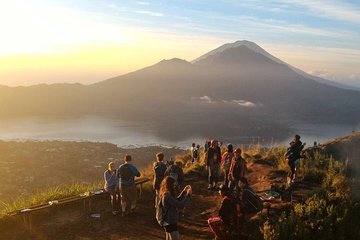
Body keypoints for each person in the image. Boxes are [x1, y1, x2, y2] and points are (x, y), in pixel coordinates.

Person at [159, 176, 192, 240]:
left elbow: (176, 201)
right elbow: (180, 205)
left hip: (168, 221)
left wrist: (184, 192)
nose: (175, 186)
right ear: (170, 185)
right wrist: (188, 195)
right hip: (170, 222)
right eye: (174, 184)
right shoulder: (167, 196)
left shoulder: (166, 194)